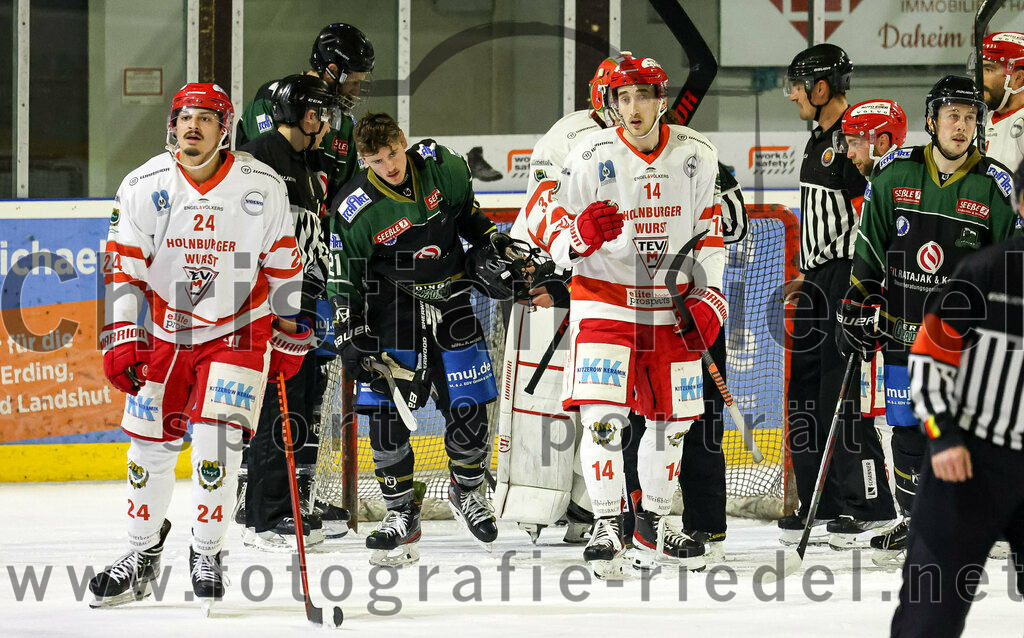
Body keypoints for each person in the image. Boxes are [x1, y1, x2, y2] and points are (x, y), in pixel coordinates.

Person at [89, 84, 309, 610]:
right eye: (184, 116)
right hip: (169, 331)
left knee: (217, 444)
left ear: (224, 128)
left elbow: (283, 261)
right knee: (149, 448)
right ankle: (140, 554)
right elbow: (123, 267)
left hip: (240, 328)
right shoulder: (144, 183)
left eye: (206, 118)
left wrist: (286, 328)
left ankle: (207, 550)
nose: (192, 125)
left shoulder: (262, 184)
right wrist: (122, 336)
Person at [527, 54, 723, 576]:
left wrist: (711, 298)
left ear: (663, 99)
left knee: (672, 424)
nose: (633, 108)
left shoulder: (699, 154)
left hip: (670, 304)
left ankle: (655, 521)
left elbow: (710, 236)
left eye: (643, 96)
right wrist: (576, 235)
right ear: (610, 103)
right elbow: (539, 219)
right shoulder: (587, 153)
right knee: (603, 420)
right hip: (604, 297)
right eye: (623, 98)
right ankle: (608, 521)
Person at [841, 76, 1018, 566]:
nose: (961, 126)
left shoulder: (995, 185)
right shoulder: (895, 173)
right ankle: (915, 521)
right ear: (931, 120)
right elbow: (871, 244)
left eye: (970, 117)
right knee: (907, 432)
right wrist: (857, 300)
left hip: (967, 342)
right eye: (952, 116)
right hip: (902, 331)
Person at [327, 113, 501, 566]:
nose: (388, 166)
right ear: (363, 160)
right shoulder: (355, 207)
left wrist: (487, 246)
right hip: (391, 309)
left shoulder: (444, 165)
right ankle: (401, 512)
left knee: (468, 411)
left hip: (452, 298)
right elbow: (345, 275)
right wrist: (350, 327)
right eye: (375, 160)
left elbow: (469, 219)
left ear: (402, 141)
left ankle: (467, 493)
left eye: (391, 153)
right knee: (385, 419)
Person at [495, 54, 626, 546]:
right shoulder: (566, 135)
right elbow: (542, 199)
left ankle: (585, 505)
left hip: (606, 285)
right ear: (601, 98)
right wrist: (567, 249)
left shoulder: (642, 139)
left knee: (598, 397)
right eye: (619, 97)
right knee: (540, 396)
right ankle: (531, 501)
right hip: (545, 275)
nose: (627, 107)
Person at [780, 43, 897, 547]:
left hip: (845, 276)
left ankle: (866, 502)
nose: (791, 95)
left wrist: (868, 284)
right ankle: (819, 499)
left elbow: (871, 218)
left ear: (819, 87)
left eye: (796, 84)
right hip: (816, 281)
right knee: (803, 392)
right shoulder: (817, 139)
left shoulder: (855, 141)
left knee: (840, 393)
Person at [890, 238, 1024, 637]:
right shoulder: (983, 273)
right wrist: (943, 437)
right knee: (929, 607)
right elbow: (928, 358)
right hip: (968, 460)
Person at [237, 74, 347, 549]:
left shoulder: (302, 161)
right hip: (269, 308)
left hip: (299, 302)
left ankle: (287, 503)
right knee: (274, 409)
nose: (327, 124)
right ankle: (266, 514)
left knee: (297, 403)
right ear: (308, 115)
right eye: (323, 114)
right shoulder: (258, 158)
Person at [236, 22, 374, 201]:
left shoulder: (345, 124)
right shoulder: (274, 99)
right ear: (331, 71)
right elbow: (263, 170)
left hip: (314, 226)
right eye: (353, 82)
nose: (356, 91)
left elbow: (349, 195)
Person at [975, 32, 1024, 170]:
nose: (977, 79)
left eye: (988, 69)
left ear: (1018, 79)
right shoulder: (977, 120)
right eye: (978, 70)